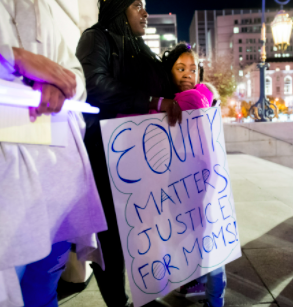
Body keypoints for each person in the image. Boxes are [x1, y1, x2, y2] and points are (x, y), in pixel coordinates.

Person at [0, 1, 107, 306]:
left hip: (58, 184)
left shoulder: (45, 7)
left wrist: (62, 82)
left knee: (43, 290)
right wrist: (11, 58)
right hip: (2, 189)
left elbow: (75, 75)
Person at [76, 0, 181, 306]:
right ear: (119, 7)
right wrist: (151, 101)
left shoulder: (141, 48)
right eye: (137, 5)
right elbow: (93, 84)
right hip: (107, 157)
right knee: (111, 240)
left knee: (142, 233)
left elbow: (165, 86)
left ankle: (145, 298)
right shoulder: (97, 38)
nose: (145, 13)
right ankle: (118, 303)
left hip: (144, 160)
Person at [161, 43, 226, 307]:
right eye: (180, 68)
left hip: (196, 184)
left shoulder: (191, 98)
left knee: (207, 244)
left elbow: (153, 116)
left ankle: (214, 299)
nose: (188, 74)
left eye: (192, 69)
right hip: (196, 182)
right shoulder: (202, 95)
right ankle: (208, 293)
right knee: (207, 241)